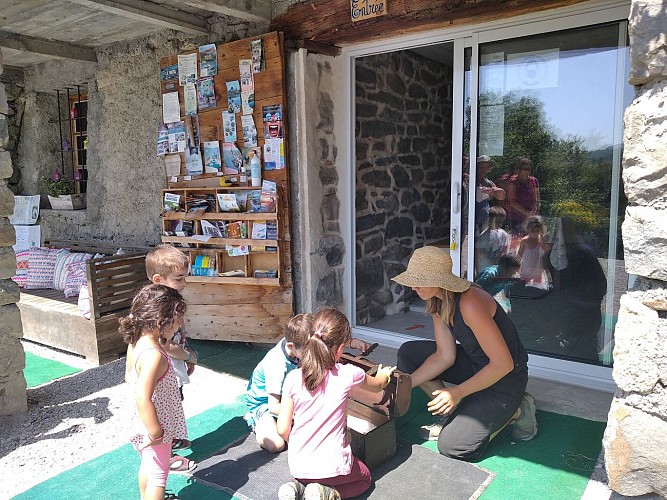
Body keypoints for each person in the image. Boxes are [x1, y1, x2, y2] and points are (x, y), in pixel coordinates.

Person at [392, 246, 536, 461]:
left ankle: (518, 410)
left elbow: (503, 364)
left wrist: (457, 392)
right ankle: (453, 412)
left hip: (506, 378)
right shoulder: (437, 300)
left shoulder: (470, 302)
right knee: (409, 353)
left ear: (439, 279)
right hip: (475, 364)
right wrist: (400, 387)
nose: (414, 286)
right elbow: (445, 356)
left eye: (420, 280)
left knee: (453, 446)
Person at [276, 308, 395, 500]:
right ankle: (328, 493)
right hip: (333, 466)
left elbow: (282, 430)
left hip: (298, 464)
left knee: (312, 474)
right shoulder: (349, 374)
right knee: (364, 479)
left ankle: (296, 487)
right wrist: (384, 375)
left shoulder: (292, 378)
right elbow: (378, 385)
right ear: (340, 349)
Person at [246, 313, 374, 455]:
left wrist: (351, 342)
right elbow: (273, 406)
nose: (312, 354)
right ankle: (256, 424)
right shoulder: (276, 365)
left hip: (290, 398)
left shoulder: (299, 341)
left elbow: (325, 341)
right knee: (276, 445)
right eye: (308, 351)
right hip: (266, 406)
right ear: (291, 346)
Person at [120, 284, 190, 500]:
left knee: (148, 466)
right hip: (155, 426)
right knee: (159, 475)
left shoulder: (136, 343)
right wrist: (156, 432)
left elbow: (128, 379)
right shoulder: (153, 356)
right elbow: (143, 396)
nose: (179, 327)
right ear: (162, 322)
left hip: (141, 422)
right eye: (177, 322)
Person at [146, 244, 198, 472]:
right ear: (158, 279)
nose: (184, 283)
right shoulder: (162, 309)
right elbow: (166, 344)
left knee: (175, 401)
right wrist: (189, 356)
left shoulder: (159, 302)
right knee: (164, 409)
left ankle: (172, 438)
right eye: (179, 279)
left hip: (169, 367)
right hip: (162, 368)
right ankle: (166, 454)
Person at [506, 157, 541, 233]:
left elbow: (537, 199)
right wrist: (526, 213)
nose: (526, 171)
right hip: (516, 217)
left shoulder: (534, 181)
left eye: (528, 169)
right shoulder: (513, 182)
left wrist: (534, 211)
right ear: (519, 170)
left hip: (531, 216)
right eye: (524, 169)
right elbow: (512, 202)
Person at [474, 155, 506, 236]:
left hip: (485, 219)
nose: (484, 170)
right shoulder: (469, 180)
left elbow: (501, 196)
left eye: (486, 167)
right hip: (471, 218)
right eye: (482, 167)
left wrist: (495, 192)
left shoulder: (489, 183)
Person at [475, 205, 511, 274]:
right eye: (497, 221)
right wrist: (478, 272)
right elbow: (478, 253)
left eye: (501, 222)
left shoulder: (503, 234)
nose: (499, 224)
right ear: (490, 220)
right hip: (485, 270)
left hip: (499, 270)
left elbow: (506, 251)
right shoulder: (484, 236)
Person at [518, 215, 549, 286]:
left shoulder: (542, 242)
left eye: (537, 231)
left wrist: (547, 269)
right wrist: (516, 267)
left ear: (540, 230)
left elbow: (546, 256)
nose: (534, 233)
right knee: (524, 286)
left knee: (537, 287)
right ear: (528, 229)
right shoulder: (524, 241)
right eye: (532, 230)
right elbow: (519, 255)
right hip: (526, 269)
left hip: (538, 269)